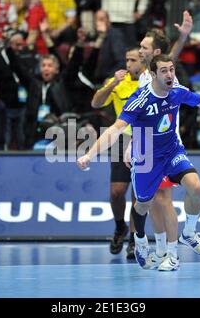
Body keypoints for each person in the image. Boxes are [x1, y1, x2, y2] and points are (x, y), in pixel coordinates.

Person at [78, 54, 200, 270]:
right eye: (164, 71)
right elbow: (114, 130)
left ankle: (189, 233)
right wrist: (89, 155)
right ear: (153, 74)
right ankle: (139, 239)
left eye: (172, 69)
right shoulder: (140, 99)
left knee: (195, 187)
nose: (170, 74)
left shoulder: (176, 91)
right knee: (143, 204)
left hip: (172, 151)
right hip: (146, 157)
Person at [136, 17, 200, 261]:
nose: (140, 50)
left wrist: (184, 37)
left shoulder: (165, 75)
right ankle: (160, 250)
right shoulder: (143, 80)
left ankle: (174, 247)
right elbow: (134, 119)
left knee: (182, 192)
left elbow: (171, 57)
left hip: (170, 147)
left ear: (156, 53)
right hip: (148, 150)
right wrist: (131, 146)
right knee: (155, 200)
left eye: (144, 47)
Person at [91, 47, 141, 259]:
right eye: (126, 59)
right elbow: (96, 103)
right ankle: (120, 227)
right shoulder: (117, 82)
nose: (128, 64)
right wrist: (112, 84)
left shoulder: (150, 80)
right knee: (117, 192)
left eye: (133, 60)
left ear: (143, 61)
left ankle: (134, 237)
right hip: (121, 139)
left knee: (138, 194)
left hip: (145, 138)